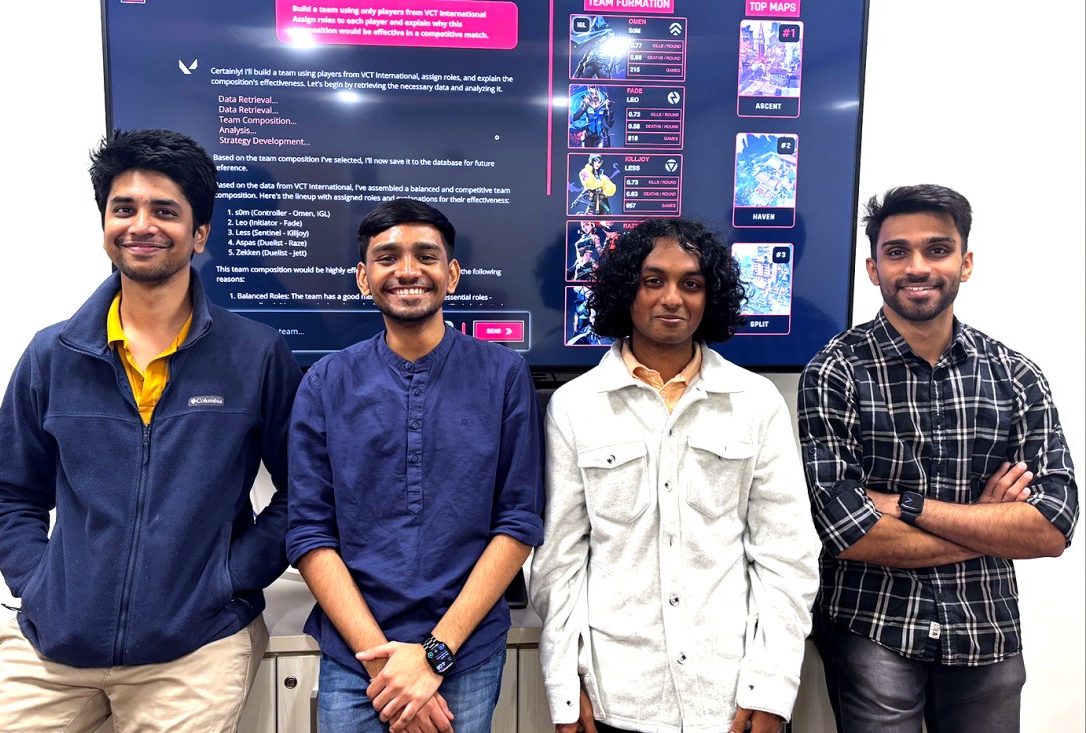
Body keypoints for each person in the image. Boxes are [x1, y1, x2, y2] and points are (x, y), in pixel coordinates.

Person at [0, 128, 302, 731]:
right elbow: (8, 493)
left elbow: (305, 491)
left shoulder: (256, 355)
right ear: (104, 222)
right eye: (123, 208)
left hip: (194, 646)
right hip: (52, 644)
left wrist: (230, 579)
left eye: (165, 211)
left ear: (199, 233)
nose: (141, 225)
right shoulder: (52, 353)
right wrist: (40, 583)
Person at [798, 184, 1078, 733]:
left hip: (986, 629)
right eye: (897, 251)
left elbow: (1051, 529)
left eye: (937, 249)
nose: (917, 266)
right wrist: (988, 521)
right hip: (873, 626)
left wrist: (905, 505)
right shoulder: (835, 372)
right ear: (874, 269)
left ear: (965, 262)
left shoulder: (1015, 375)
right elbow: (846, 531)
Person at [530, 217, 819, 733]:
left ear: (711, 298)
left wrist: (772, 688)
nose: (672, 298)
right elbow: (558, 563)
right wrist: (565, 685)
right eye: (653, 280)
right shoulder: (575, 408)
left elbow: (786, 558)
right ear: (627, 291)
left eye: (691, 283)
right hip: (619, 694)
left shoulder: (757, 404)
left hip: (731, 697)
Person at [285, 198, 544, 732]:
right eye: (387, 257)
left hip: (464, 654)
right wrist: (387, 664)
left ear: (451, 275)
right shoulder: (324, 383)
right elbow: (309, 533)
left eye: (426, 256)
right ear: (363, 277)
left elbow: (518, 522)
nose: (407, 270)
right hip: (356, 656)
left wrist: (433, 656)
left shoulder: (503, 374)